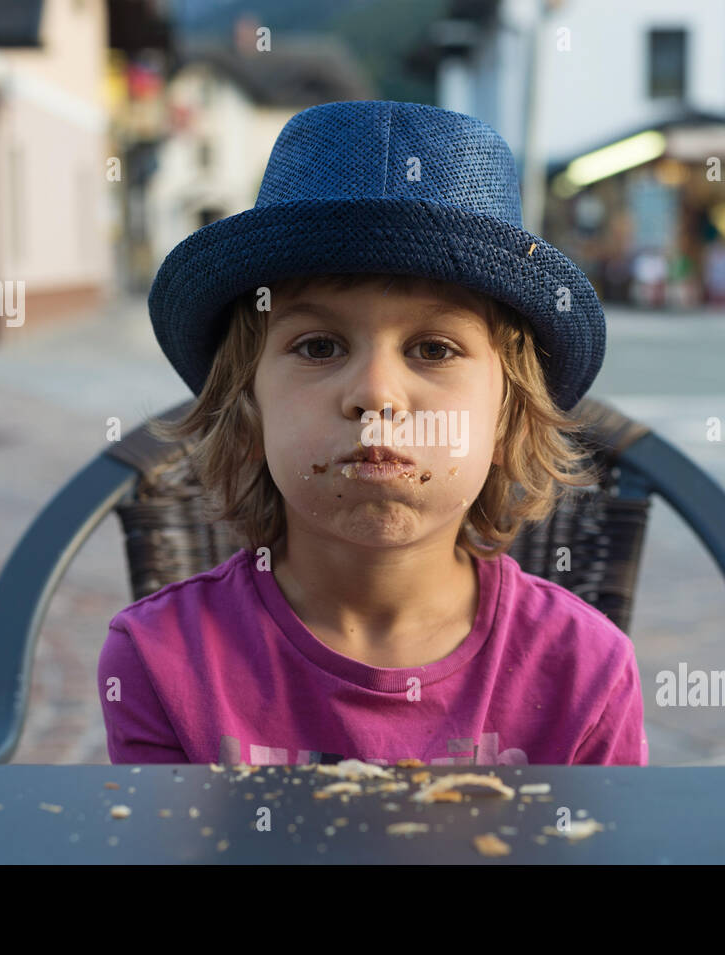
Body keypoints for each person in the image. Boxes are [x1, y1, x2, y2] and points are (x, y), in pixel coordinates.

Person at [98, 100, 648, 767]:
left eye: (435, 349)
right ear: (247, 405)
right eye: (320, 345)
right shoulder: (161, 660)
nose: (376, 395)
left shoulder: (585, 670)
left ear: (505, 416)